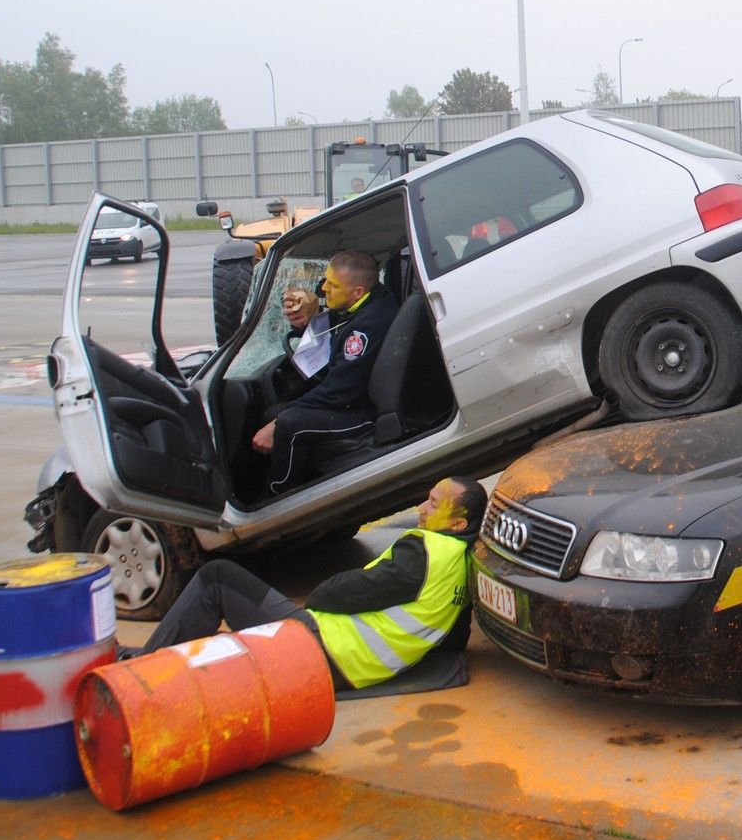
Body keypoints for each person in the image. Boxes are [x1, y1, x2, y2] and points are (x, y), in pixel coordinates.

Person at [128, 476, 488, 692]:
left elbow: (346, 592)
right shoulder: (462, 562)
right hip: (351, 666)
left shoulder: (425, 550)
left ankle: (140, 673)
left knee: (216, 578)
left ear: (457, 524)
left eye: (435, 503)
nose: (423, 508)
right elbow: (453, 639)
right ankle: (156, 660)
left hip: (320, 647)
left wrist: (318, 595)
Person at [252, 250, 399, 495]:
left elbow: (339, 391)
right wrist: (310, 320)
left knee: (289, 422)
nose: (324, 289)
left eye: (333, 285)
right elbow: (342, 325)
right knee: (275, 410)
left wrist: (278, 423)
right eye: (325, 281)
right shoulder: (370, 303)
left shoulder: (368, 326)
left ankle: (278, 496)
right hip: (356, 398)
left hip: (366, 411)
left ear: (358, 292)